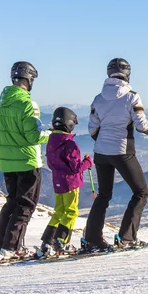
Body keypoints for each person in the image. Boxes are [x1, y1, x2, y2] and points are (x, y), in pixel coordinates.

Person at [83, 58, 148, 252]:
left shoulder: (98, 98)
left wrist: (103, 141)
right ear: (127, 74)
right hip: (122, 150)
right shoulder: (132, 96)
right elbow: (142, 126)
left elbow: (92, 128)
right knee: (141, 192)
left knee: (103, 195)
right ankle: (127, 238)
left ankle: (92, 238)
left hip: (101, 152)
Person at [0, 61, 51, 261]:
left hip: (7, 163)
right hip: (27, 162)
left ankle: (0, 246)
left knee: (11, 203)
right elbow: (34, 136)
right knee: (25, 206)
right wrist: (50, 134)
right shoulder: (28, 104)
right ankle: (11, 248)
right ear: (29, 79)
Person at [37, 107, 93, 258]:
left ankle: (47, 241)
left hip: (57, 182)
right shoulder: (70, 145)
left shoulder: (51, 142)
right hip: (71, 183)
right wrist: (88, 162)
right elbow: (75, 168)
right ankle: (61, 241)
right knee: (71, 211)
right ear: (69, 124)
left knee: (59, 211)